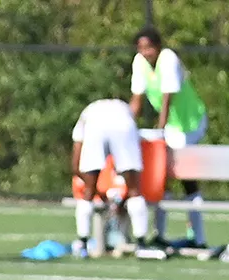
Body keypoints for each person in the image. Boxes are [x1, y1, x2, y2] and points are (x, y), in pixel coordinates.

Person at [130, 27, 209, 248]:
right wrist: (126, 124)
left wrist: (160, 132)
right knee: (160, 178)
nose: (145, 52)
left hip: (189, 123)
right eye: (141, 48)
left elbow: (168, 99)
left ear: (158, 46)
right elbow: (136, 99)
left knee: (186, 179)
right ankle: (159, 234)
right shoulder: (139, 63)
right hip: (171, 129)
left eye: (149, 47)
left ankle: (198, 238)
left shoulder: (168, 59)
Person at [70, 98, 144, 258]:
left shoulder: (86, 117)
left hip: (95, 125)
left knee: (87, 192)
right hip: (123, 122)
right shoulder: (124, 111)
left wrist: (97, 192)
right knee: (134, 190)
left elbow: (76, 166)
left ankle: (82, 243)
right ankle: (142, 244)